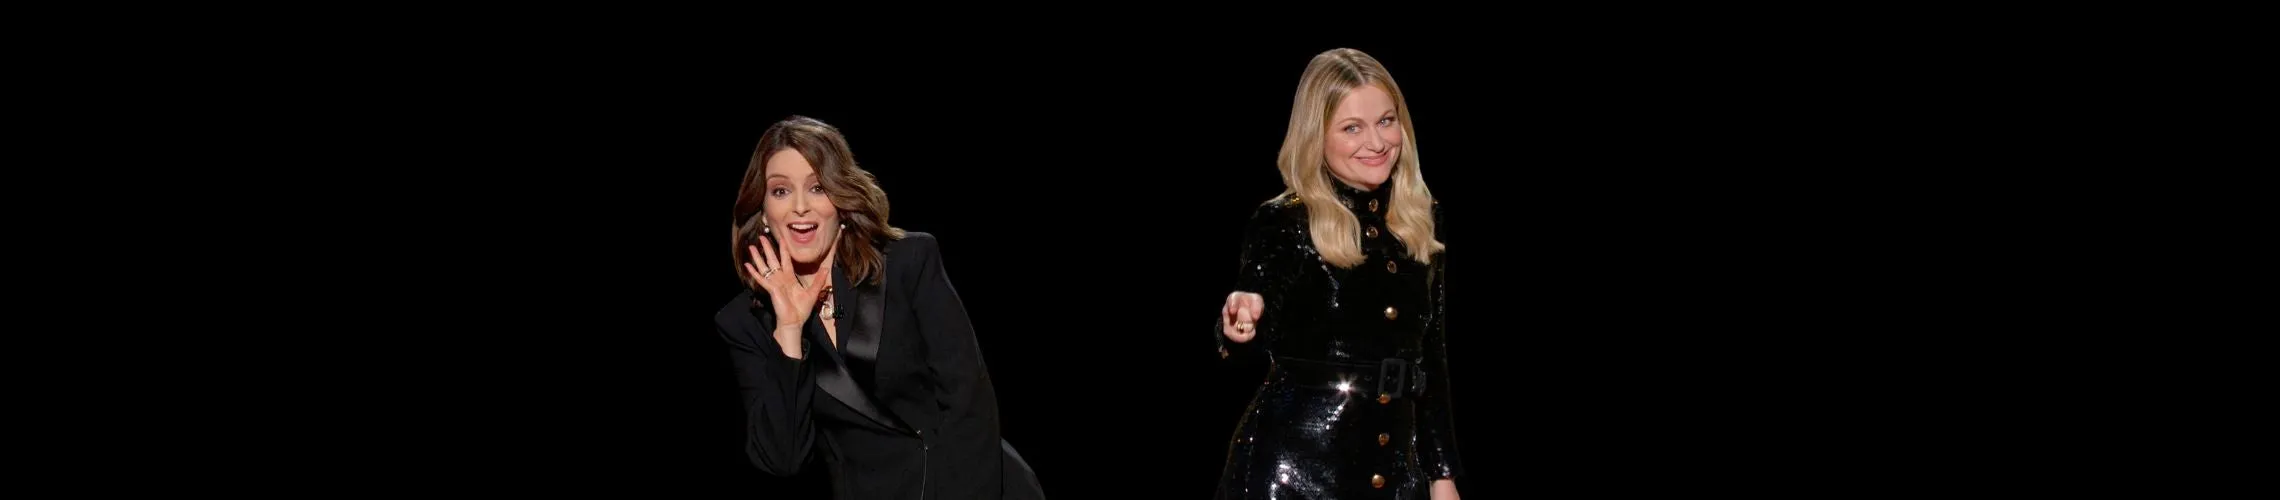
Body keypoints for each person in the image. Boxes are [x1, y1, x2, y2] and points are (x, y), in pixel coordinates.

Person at [716, 116, 1046, 500]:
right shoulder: (744, 321)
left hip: (974, 483)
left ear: (840, 200)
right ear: (763, 210)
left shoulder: (908, 262)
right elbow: (783, 459)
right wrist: (789, 330)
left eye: (818, 187)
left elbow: (968, 402)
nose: (800, 207)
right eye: (781, 191)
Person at [1212, 48, 1465, 500]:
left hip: (1395, 474)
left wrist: (1441, 474)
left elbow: (1430, 355)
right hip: (1291, 476)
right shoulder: (1286, 221)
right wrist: (1241, 322)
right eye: (1352, 127)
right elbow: (1257, 299)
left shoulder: (1421, 217)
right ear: (1317, 136)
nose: (1377, 142)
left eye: (1386, 121)